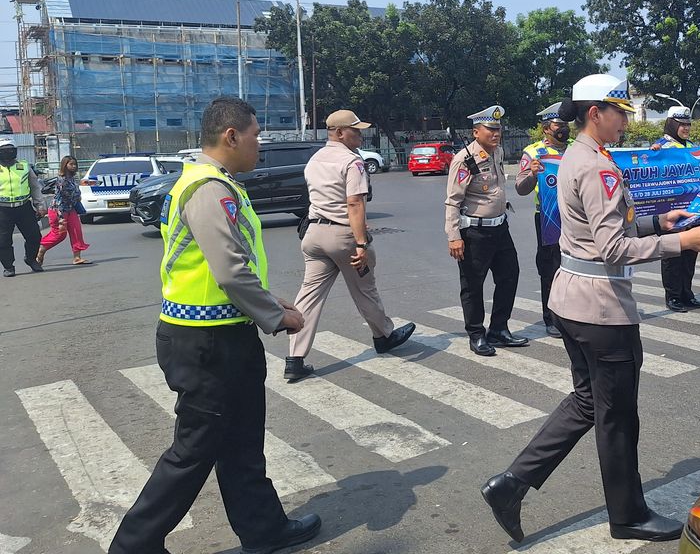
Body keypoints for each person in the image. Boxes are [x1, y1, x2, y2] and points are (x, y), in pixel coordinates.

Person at [479, 74, 700, 544]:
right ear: (595, 113)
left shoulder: (579, 156)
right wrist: (683, 241)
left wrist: (659, 221)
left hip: (571, 300)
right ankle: (628, 515)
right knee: (617, 416)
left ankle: (510, 485)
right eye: (620, 114)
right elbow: (612, 248)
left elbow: (600, 229)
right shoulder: (596, 166)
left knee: (588, 402)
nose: (625, 122)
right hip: (601, 310)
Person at [108, 97, 321, 554]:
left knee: (242, 442)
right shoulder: (208, 188)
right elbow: (229, 270)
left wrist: (269, 300)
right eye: (256, 135)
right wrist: (275, 316)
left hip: (221, 333)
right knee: (194, 450)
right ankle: (133, 546)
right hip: (206, 344)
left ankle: (264, 530)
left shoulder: (208, 182)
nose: (259, 144)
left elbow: (224, 265)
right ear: (231, 136)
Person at [283, 110, 416, 383]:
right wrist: (361, 244)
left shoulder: (315, 159)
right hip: (343, 236)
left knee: (308, 297)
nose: (360, 135)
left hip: (314, 235)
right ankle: (384, 336)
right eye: (356, 130)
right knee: (365, 289)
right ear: (340, 133)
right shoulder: (352, 162)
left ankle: (294, 359)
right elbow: (354, 204)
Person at [445, 104, 528, 356]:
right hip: (475, 233)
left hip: (500, 228)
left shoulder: (497, 152)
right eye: (490, 129)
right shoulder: (464, 160)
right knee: (473, 285)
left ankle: (499, 329)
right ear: (475, 132)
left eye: (498, 129)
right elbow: (453, 201)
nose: (496, 134)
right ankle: (476, 334)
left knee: (509, 275)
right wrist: (454, 237)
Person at [514, 102, 570, 338]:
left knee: (577, 265)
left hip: (577, 217)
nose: (564, 129)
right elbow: (520, 188)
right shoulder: (534, 152)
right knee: (551, 269)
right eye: (558, 125)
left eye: (565, 124)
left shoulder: (576, 148)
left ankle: (574, 314)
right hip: (549, 217)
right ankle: (552, 318)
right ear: (546, 128)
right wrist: (532, 173)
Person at [652, 106, 700, 313]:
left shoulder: (693, 147)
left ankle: (687, 293)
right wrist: (652, 154)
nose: (686, 128)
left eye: (688, 124)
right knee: (672, 254)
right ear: (672, 124)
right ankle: (673, 296)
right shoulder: (661, 147)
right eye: (681, 124)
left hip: (693, 208)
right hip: (670, 209)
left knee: (690, 253)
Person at [0, 138, 46, 277]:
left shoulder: (24, 166)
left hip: (24, 207)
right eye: (4, 150)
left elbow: (35, 187)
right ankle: (8, 267)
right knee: (3, 241)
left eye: (11, 150)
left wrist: (40, 205)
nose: (8, 153)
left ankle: (31, 259)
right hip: (3, 209)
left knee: (34, 236)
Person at [36, 155, 90, 266]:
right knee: (59, 235)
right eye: (71, 164)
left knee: (76, 232)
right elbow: (59, 200)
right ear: (65, 165)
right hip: (58, 210)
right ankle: (41, 249)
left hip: (71, 209)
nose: (74, 166)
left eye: (75, 164)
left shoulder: (73, 178)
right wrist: (61, 219)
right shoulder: (62, 180)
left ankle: (77, 257)